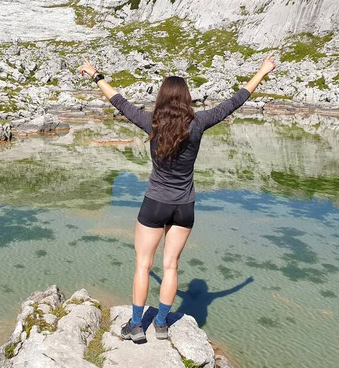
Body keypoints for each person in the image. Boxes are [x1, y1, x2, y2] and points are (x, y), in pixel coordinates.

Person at [79, 54, 276, 343]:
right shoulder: (199, 123)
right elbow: (236, 100)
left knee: (143, 265)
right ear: (186, 99)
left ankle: (136, 326)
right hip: (184, 207)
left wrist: (96, 75)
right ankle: (160, 324)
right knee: (170, 265)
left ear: (161, 98)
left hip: (155, 204)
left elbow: (118, 101)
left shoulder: (151, 122)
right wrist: (262, 71)